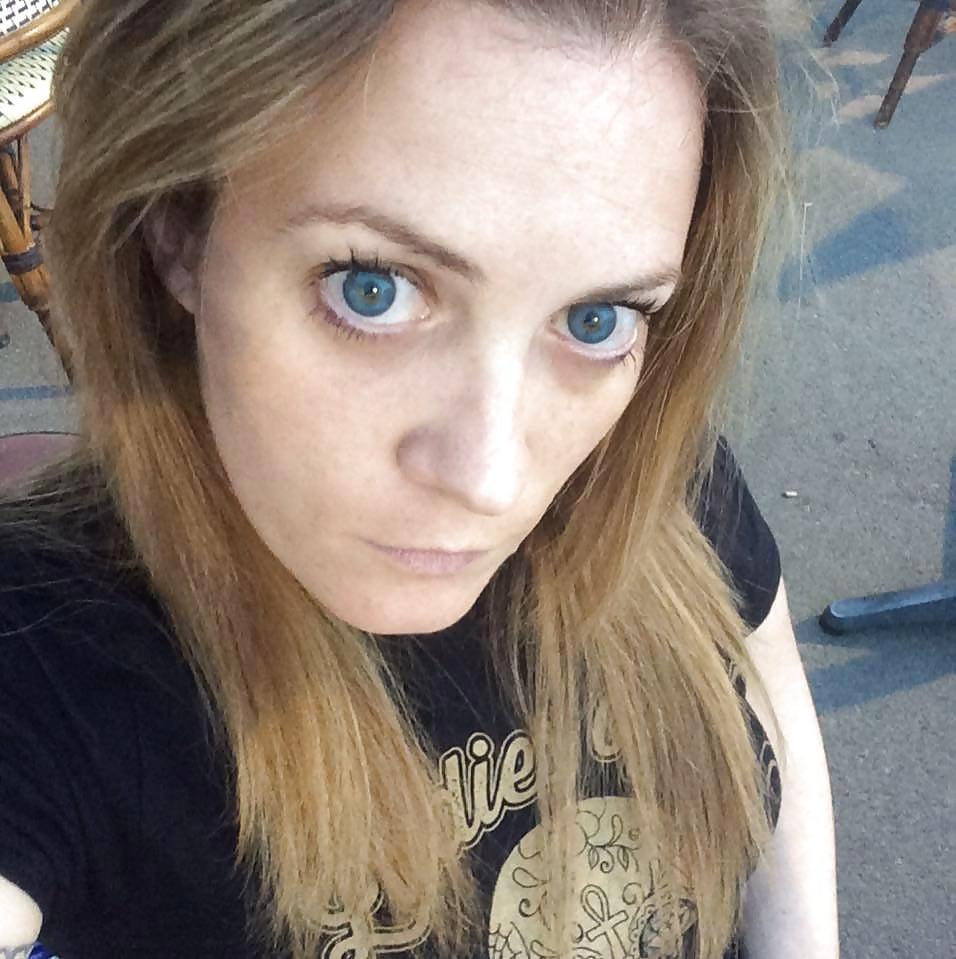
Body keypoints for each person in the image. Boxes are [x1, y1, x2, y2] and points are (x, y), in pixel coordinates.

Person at [0, 0, 839, 957]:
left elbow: (756, 661)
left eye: (597, 317)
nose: (492, 479)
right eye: (374, 289)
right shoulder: (50, 663)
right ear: (176, 231)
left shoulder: (634, 454)